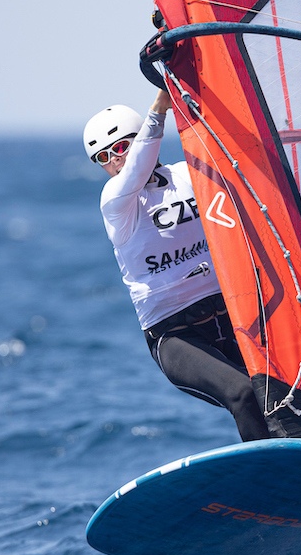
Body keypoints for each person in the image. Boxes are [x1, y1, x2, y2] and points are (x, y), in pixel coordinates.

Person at [85, 90, 271, 442]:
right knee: (243, 394)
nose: (114, 162)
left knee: (279, 390)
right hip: (175, 334)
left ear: (138, 140)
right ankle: (273, 470)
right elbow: (137, 168)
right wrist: (159, 109)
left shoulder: (187, 175)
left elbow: (237, 163)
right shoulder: (115, 201)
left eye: (120, 148)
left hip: (230, 313)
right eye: (103, 158)